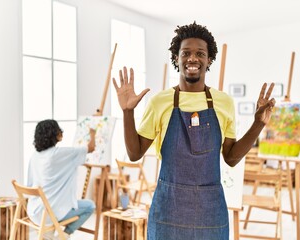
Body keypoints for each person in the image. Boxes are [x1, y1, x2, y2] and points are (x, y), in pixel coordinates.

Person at [112, 22, 275, 240]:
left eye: (200, 53)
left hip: (210, 212)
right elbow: (134, 154)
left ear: (209, 60)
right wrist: (127, 112)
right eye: (186, 53)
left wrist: (258, 124)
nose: (192, 58)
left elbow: (231, 157)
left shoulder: (224, 102)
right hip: (169, 209)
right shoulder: (160, 101)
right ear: (176, 58)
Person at [27, 119, 96, 240]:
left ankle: (49, 234)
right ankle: (63, 235)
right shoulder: (60, 154)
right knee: (90, 206)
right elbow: (90, 148)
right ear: (53, 134)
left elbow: (30, 183)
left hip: (34, 211)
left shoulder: (35, 156)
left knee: (57, 203)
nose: (61, 132)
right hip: (50, 213)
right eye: (59, 130)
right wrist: (93, 134)